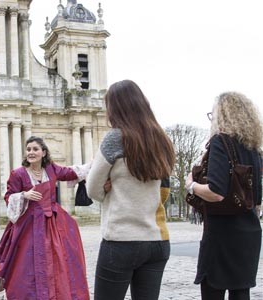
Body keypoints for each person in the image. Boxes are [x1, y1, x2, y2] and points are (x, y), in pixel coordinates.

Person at [86, 79, 175, 300]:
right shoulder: (161, 139)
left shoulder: (115, 138)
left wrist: (108, 188)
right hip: (157, 240)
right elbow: (164, 191)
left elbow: (92, 189)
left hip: (121, 240)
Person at [185, 92, 262, 300]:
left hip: (222, 235)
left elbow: (216, 193)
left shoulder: (220, 142)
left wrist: (191, 186)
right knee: (240, 293)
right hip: (249, 234)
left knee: (213, 291)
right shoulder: (254, 149)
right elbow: (256, 199)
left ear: (222, 116)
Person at [0, 136, 90, 299]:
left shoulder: (51, 169)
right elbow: (8, 196)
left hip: (53, 223)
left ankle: (56, 293)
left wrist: (96, 163)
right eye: (28, 149)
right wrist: (24, 195)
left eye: (35, 149)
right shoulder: (18, 174)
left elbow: (71, 173)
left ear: (43, 152)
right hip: (28, 225)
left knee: (58, 258)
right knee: (27, 263)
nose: (31, 152)